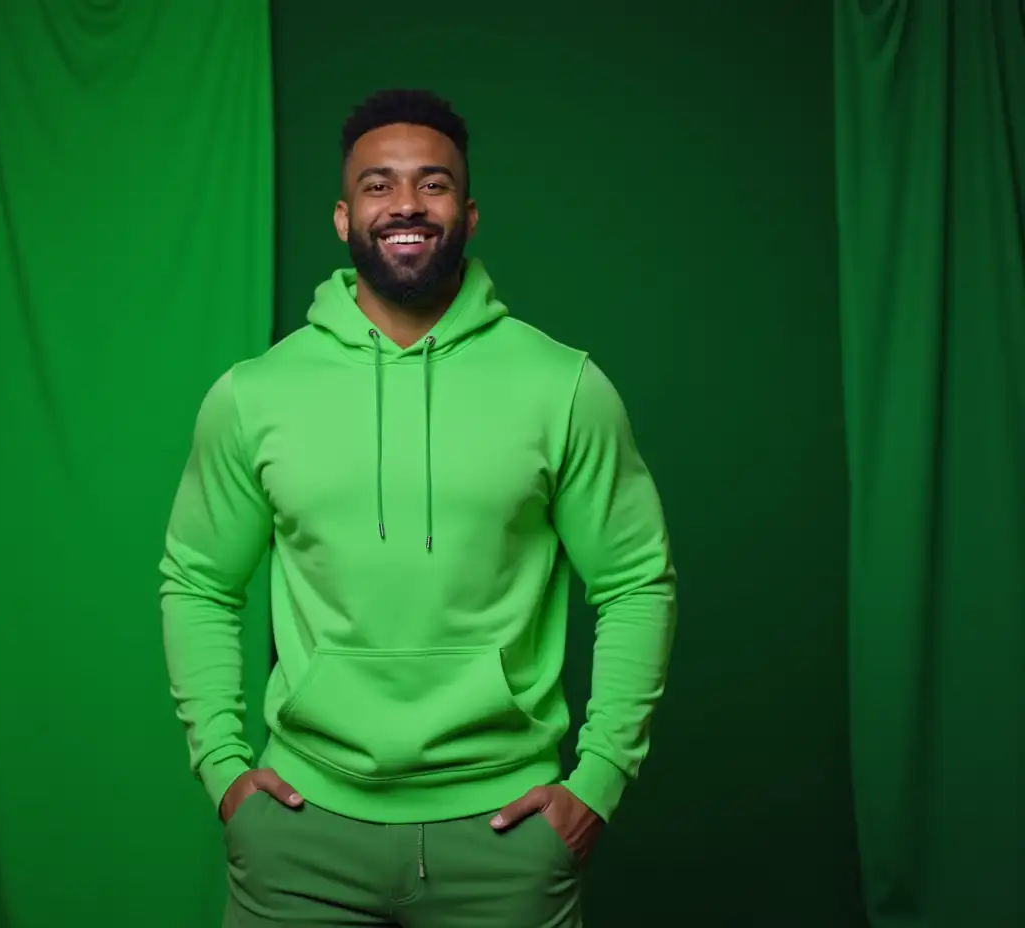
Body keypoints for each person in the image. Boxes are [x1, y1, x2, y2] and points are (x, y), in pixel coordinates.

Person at [159, 89, 677, 927]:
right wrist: (223, 770)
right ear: (341, 216)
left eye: (432, 185)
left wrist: (598, 782)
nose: (406, 204)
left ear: (468, 215)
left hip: (506, 838)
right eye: (379, 185)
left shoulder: (563, 386)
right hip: (298, 837)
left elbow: (634, 581)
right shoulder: (255, 396)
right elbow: (198, 582)